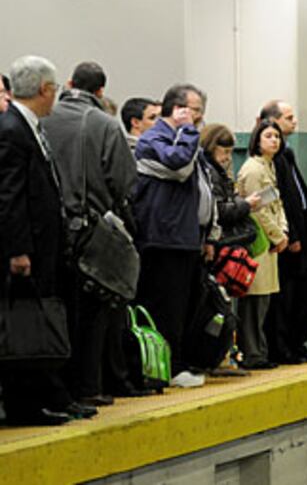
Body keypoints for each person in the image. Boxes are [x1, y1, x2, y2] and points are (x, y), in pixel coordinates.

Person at [0, 55, 96, 425]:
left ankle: (51, 396)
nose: (56, 96)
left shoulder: (31, 127)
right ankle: (28, 406)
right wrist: (18, 250)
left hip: (46, 247)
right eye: (54, 89)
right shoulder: (11, 130)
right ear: (44, 89)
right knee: (27, 327)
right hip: (29, 251)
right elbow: (9, 197)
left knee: (47, 322)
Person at [42, 61, 137, 405]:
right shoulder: (104, 124)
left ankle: (55, 387)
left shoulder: (41, 118)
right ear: (100, 91)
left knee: (55, 310)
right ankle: (87, 387)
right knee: (93, 313)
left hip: (47, 230)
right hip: (89, 229)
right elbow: (125, 181)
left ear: (69, 83)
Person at [133, 83, 217, 388]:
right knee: (165, 306)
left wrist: (208, 234)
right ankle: (165, 368)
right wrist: (189, 131)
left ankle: (178, 362)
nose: (199, 118)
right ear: (179, 109)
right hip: (162, 236)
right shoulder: (155, 138)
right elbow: (180, 166)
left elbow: (203, 187)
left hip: (184, 237)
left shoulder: (183, 138)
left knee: (183, 306)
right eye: (195, 111)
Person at [259, 101, 307, 364]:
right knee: (285, 298)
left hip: (303, 235)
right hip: (287, 238)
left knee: (303, 297)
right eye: (288, 118)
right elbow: (280, 200)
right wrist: (292, 235)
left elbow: (299, 195)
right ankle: (282, 348)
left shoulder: (288, 153)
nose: (294, 122)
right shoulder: (268, 163)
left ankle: (298, 344)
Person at [237, 120, 289, 369]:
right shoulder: (253, 170)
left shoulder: (269, 167)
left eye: (277, 136)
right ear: (257, 139)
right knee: (253, 301)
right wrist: (277, 236)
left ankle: (260, 351)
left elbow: (277, 205)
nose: (274, 140)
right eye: (269, 135)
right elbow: (258, 210)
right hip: (258, 241)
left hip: (270, 240)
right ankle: (252, 353)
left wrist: (283, 231)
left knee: (263, 300)